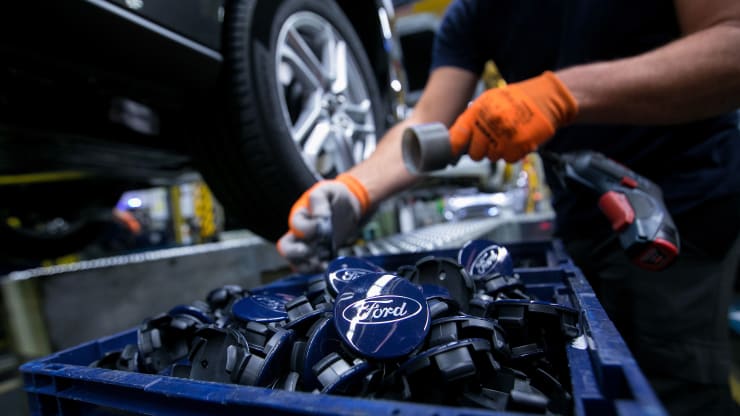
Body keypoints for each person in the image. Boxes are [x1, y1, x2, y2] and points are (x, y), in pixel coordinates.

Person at [277, 1, 740, 414]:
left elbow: (731, 40)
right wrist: (354, 189)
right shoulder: (474, 13)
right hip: (581, 211)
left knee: (669, 384)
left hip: (677, 207)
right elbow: (427, 121)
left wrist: (563, 94)